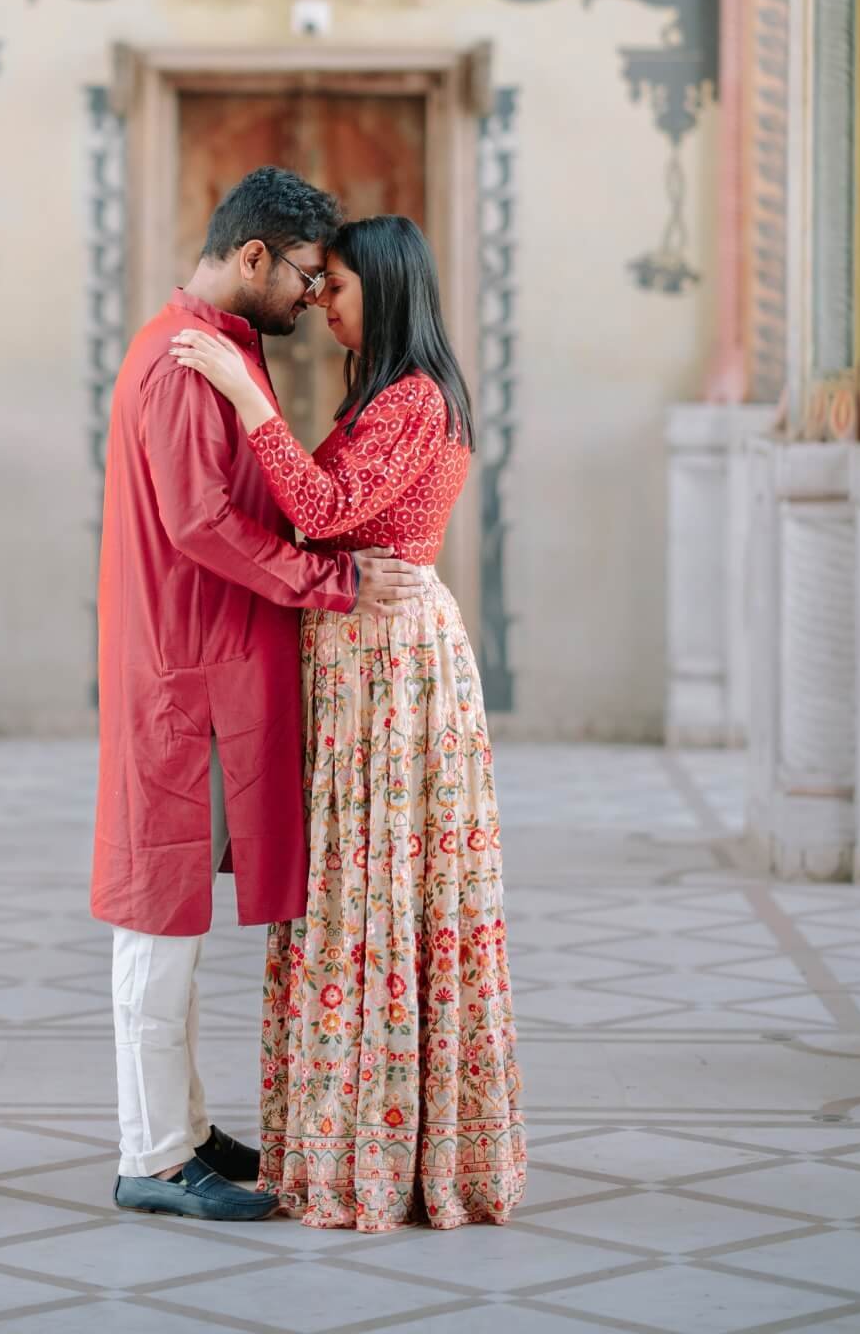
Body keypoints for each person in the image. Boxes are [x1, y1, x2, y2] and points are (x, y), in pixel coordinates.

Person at [171, 213, 526, 1233]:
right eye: (316, 283)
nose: (322, 300)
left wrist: (244, 396)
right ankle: (345, 1146)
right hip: (357, 668)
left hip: (394, 667)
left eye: (338, 284)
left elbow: (325, 510)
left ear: (386, 285)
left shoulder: (414, 397)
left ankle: (387, 1158)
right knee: (348, 894)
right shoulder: (381, 393)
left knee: (382, 896)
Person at [92, 168, 425, 1223]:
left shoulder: (226, 352)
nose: (310, 299)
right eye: (304, 274)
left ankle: (183, 1128)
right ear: (253, 256)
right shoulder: (184, 360)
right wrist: (333, 581)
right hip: (181, 678)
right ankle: (150, 1155)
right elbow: (198, 523)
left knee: (175, 922)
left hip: (214, 669)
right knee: (157, 922)